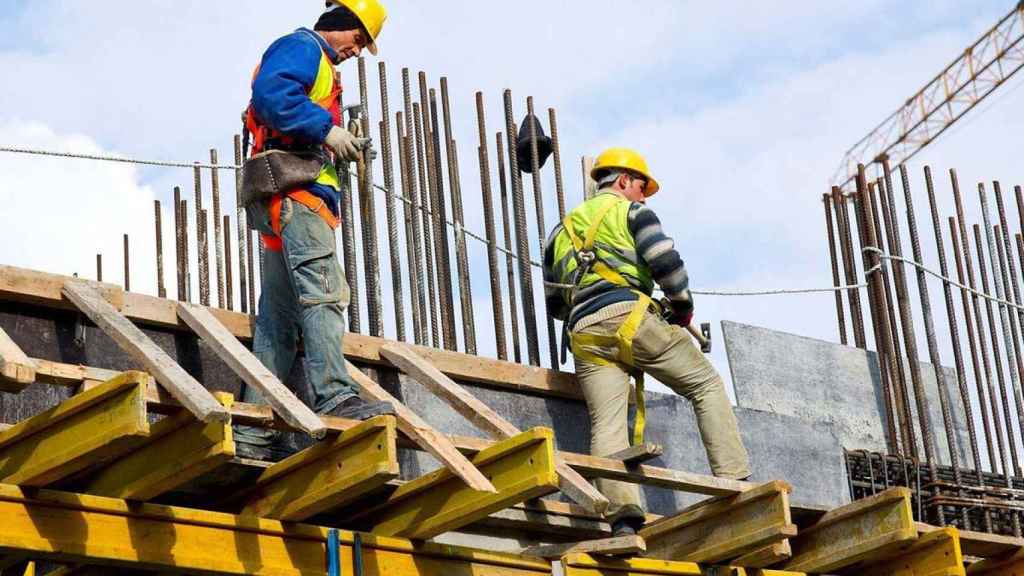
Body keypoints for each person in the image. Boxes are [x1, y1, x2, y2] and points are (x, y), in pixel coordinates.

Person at [543, 147, 750, 535]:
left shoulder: (560, 232)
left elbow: (555, 303)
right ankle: (736, 482)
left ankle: (623, 518)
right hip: (632, 319)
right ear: (623, 181)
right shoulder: (632, 212)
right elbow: (666, 264)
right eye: (641, 187)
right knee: (705, 385)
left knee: (606, 424)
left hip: (585, 333)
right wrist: (682, 309)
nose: (643, 196)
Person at [234, 0, 392, 460]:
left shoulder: (318, 65)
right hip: (298, 202)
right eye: (358, 40)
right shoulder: (304, 48)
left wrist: (339, 143)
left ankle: (253, 432)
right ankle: (336, 395)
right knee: (324, 295)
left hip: (284, 201)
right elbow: (273, 95)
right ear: (342, 25)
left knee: (278, 323)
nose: (356, 52)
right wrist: (325, 129)